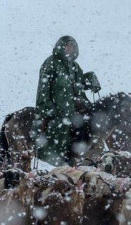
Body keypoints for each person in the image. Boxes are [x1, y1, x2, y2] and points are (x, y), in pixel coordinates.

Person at [33, 35, 101, 166]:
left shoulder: (74, 66)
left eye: (72, 46)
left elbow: (79, 83)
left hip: (75, 106)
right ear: (60, 47)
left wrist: (91, 80)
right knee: (63, 127)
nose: (69, 49)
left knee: (91, 122)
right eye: (66, 46)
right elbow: (43, 89)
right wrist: (48, 108)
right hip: (59, 109)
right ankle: (62, 158)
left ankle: (87, 154)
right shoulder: (51, 63)